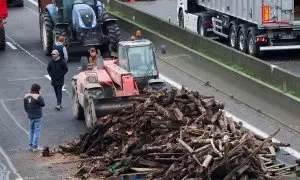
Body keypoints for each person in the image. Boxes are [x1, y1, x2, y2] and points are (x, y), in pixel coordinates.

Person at [24, 84, 45, 152]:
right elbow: (43, 104)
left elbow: (25, 107)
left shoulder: (26, 96)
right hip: (38, 116)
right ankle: (35, 146)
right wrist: (40, 95)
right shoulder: (38, 96)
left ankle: (30, 146)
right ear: (38, 90)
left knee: (31, 130)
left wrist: (29, 112)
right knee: (37, 131)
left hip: (30, 116)